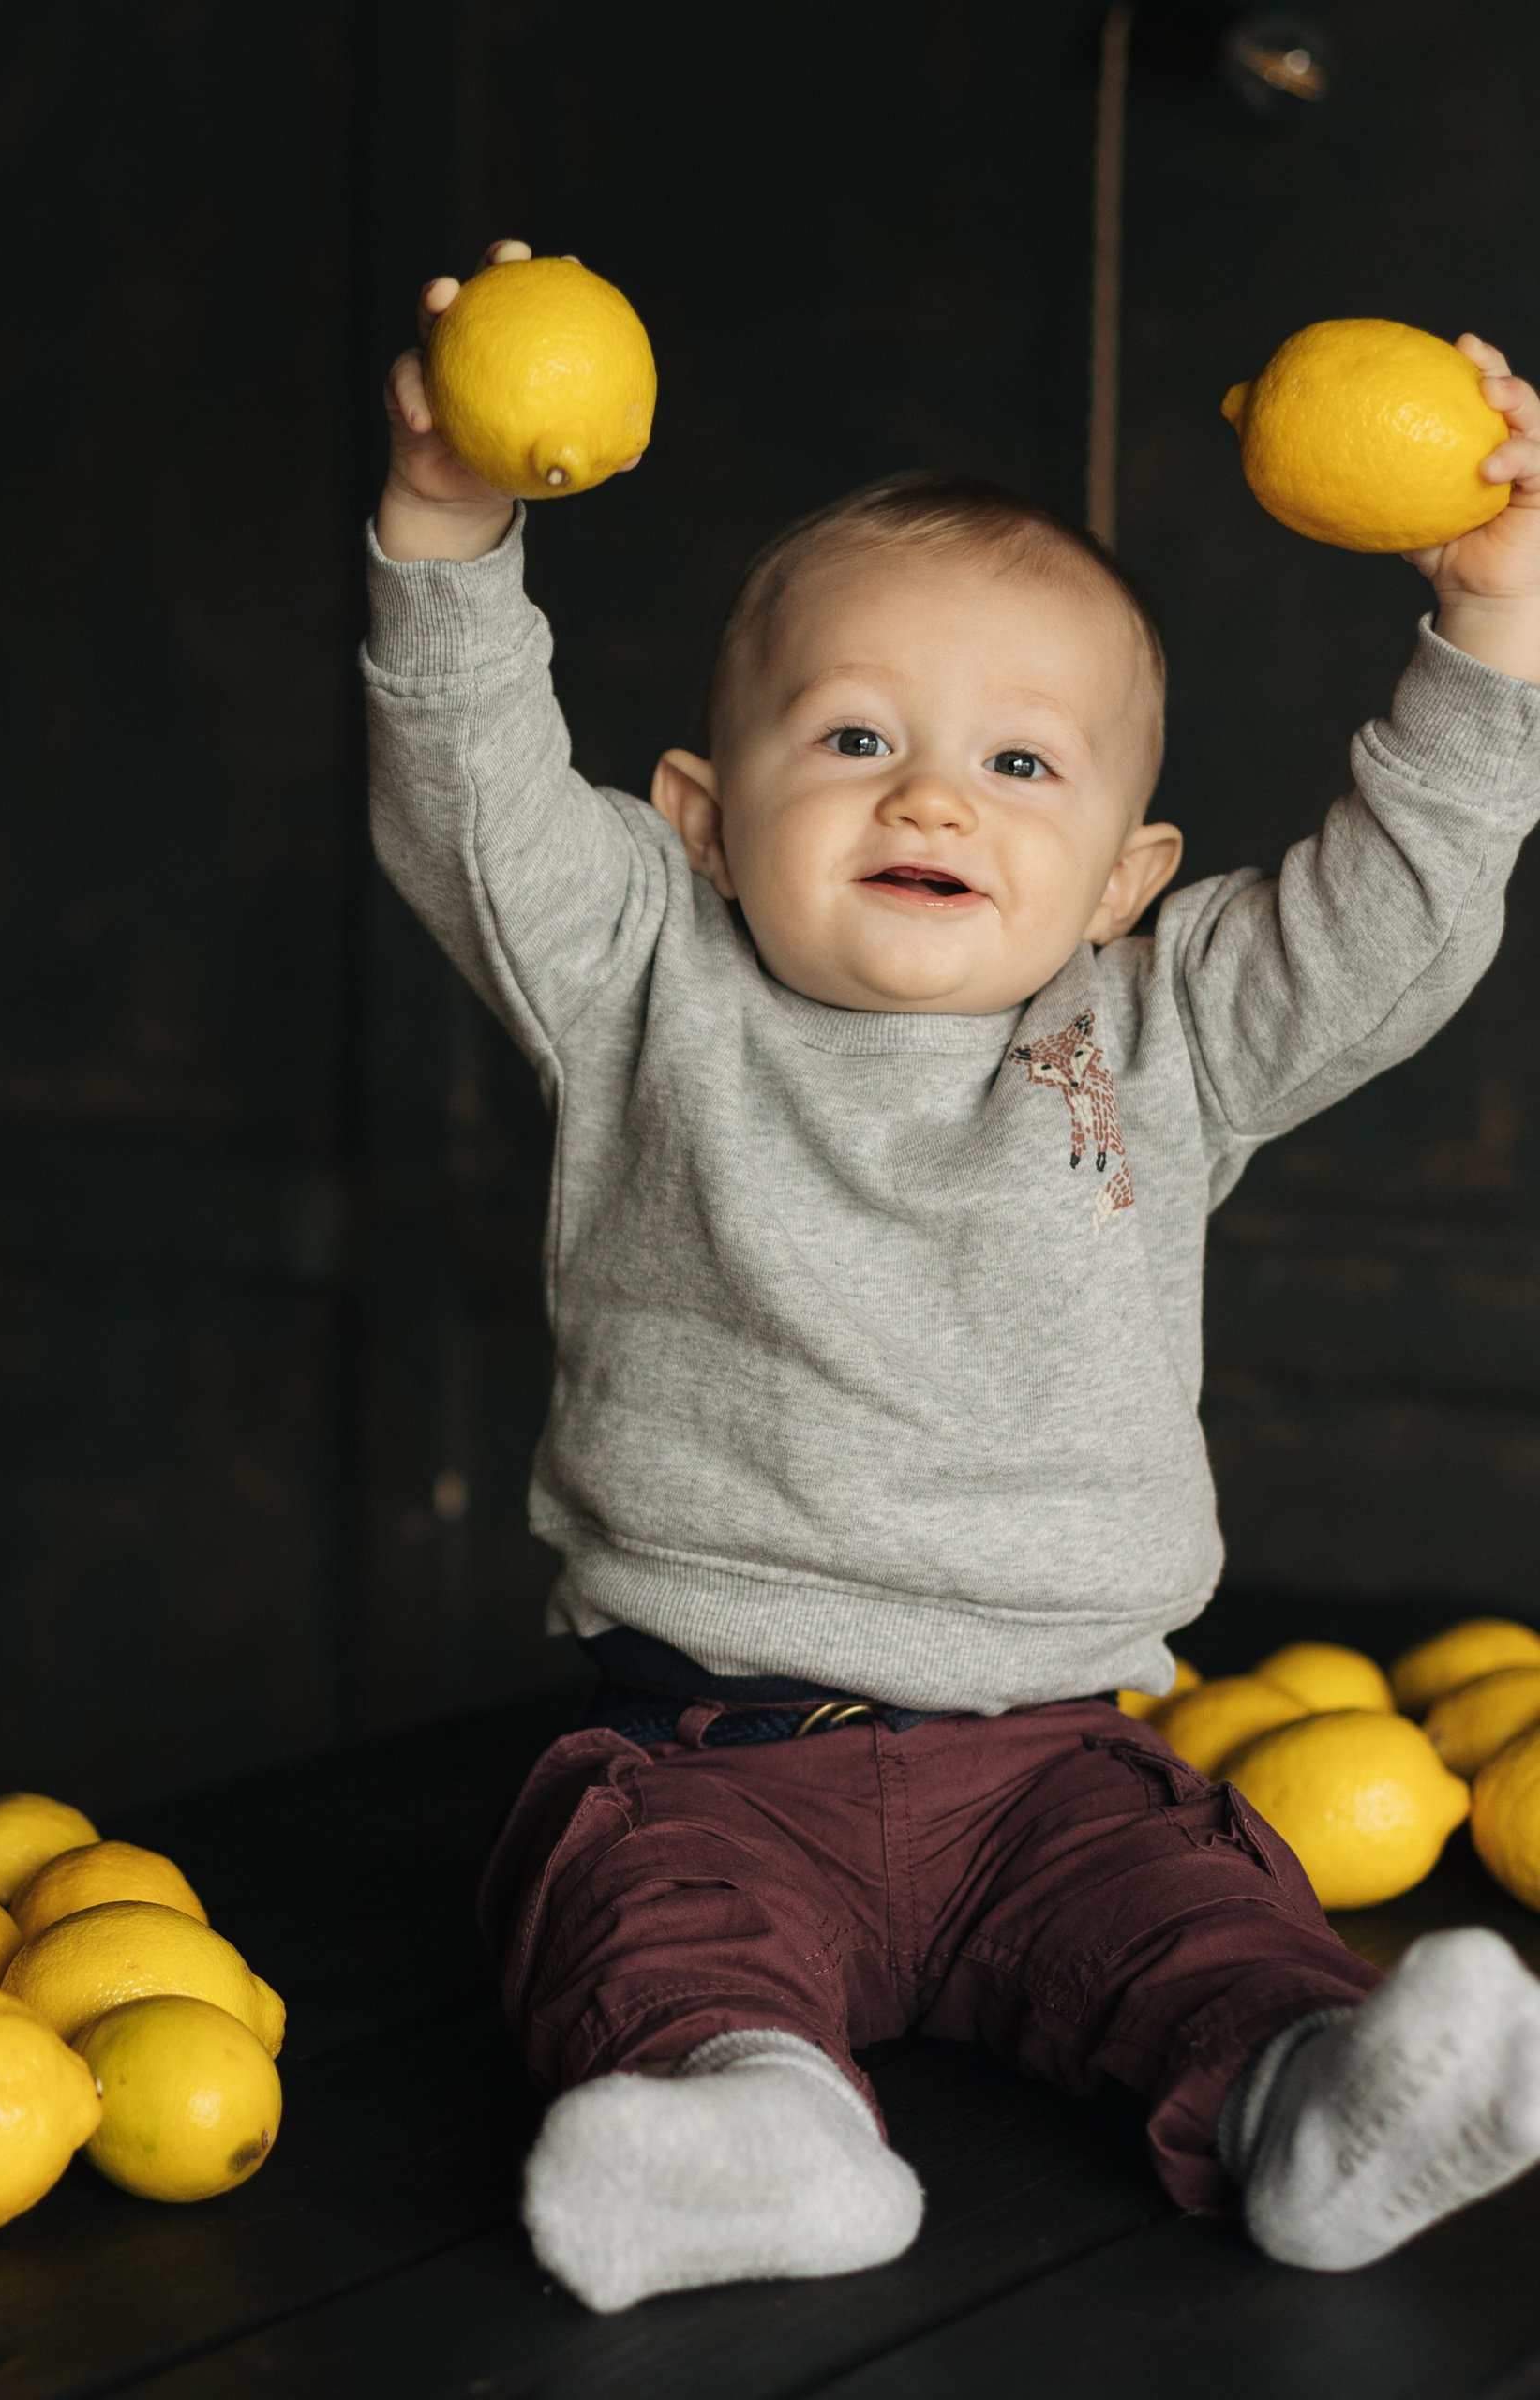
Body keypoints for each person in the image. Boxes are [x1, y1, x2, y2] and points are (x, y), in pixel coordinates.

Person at [365, 239, 1540, 2312]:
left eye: (1020, 764)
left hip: (1057, 1764)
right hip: (709, 1757)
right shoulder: (641, 973)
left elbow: (1394, 909)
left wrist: (1498, 626)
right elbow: (464, 790)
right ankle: (754, 2121)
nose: (928, 793)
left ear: (1124, 879)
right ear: (700, 819)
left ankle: (1304, 2102)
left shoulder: (1161, 1028)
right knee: (641, 1931)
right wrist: (449, 518)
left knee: (1203, 1929)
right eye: (850, 736)